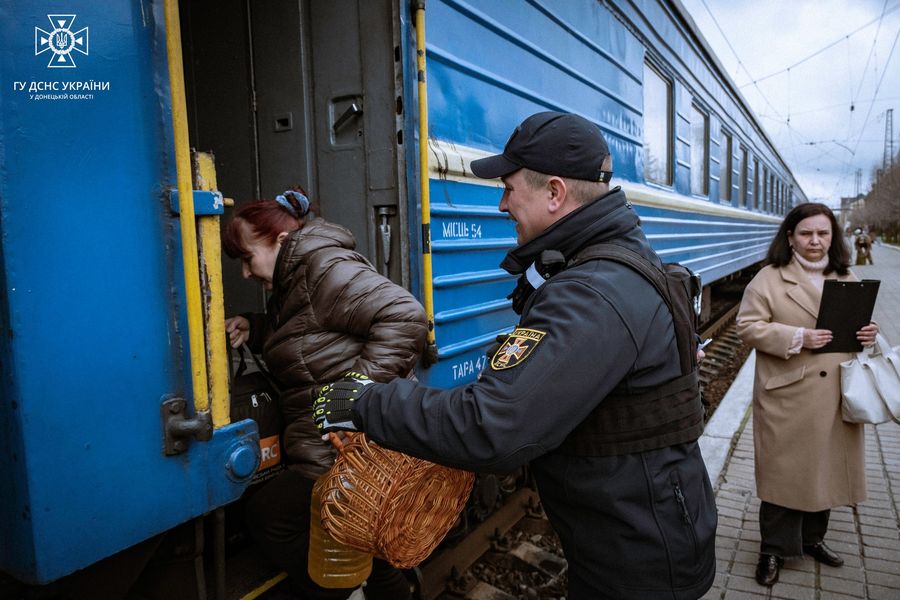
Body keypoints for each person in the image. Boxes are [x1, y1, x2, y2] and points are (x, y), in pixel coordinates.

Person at [311, 112, 717, 599]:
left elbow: (495, 428)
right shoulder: (607, 266)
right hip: (641, 530)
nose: (502, 203)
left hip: (641, 560)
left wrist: (365, 402)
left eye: (508, 188)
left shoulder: (593, 293)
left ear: (554, 193)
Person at [222, 188, 426, 600]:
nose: (245, 273)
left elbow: (405, 317)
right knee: (370, 543)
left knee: (268, 518)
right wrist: (257, 328)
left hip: (345, 445)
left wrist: (353, 397)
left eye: (247, 258)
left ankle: (344, 593)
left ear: (280, 241)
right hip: (340, 443)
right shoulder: (294, 280)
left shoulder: (321, 268)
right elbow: (314, 332)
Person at [735, 203, 878, 587]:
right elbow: (747, 327)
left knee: (825, 471)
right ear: (790, 237)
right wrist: (797, 337)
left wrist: (869, 335)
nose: (815, 241)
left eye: (823, 233)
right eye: (806, 233)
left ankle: (813, 540)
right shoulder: (769, 278)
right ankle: (773, 550)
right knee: (785, 473)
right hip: (789, 394)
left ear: (833, 237)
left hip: (835, 393)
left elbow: (855, 329)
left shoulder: (847, 276)